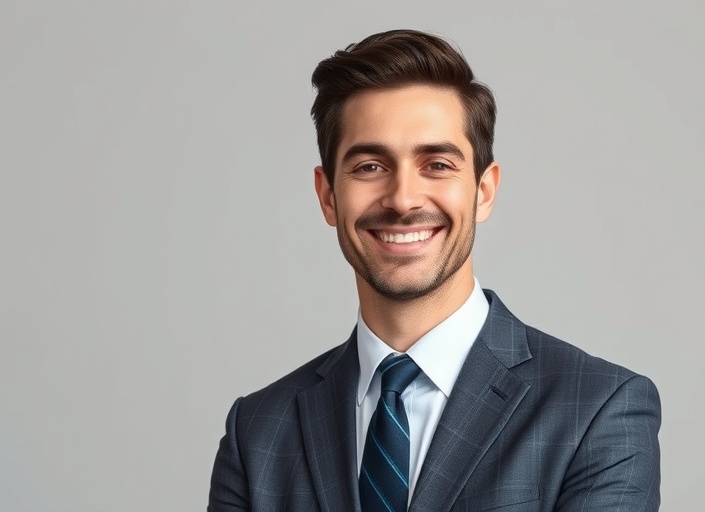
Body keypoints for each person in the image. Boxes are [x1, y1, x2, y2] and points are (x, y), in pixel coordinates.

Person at [208, 29, 660, 512]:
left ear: (483, 191)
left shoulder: (598, 410)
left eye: (438, 164)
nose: (403, 199)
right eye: (369, 167)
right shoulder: (257, 431)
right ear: (327, 196)